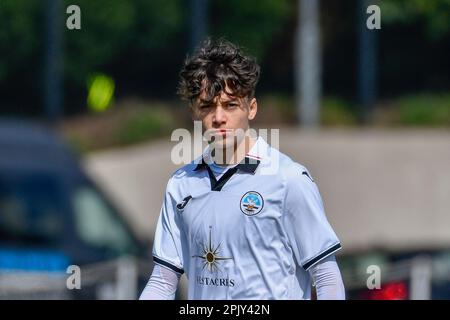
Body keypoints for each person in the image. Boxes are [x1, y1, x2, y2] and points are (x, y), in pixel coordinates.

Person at [140, 39, 345, 300]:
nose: (218, 117)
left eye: (230, 105)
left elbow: (326, 278)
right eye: (207, 106)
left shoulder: (288, 179)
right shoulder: (180, 185)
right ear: (193, 111)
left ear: (251, 108)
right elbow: (162, 282)